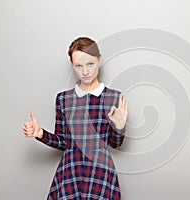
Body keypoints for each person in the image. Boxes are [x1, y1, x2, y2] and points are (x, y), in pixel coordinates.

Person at [22, 37, 128, 200]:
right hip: (70, 169)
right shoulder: (63, 99)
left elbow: (115, 143)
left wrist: (119, 127)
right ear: (72, 65)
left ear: (99, 61)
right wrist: (40, 133)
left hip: (100, 171)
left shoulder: (114, 97)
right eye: (78, 66)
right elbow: (63, 142)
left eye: (90, 64)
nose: (85, 72)